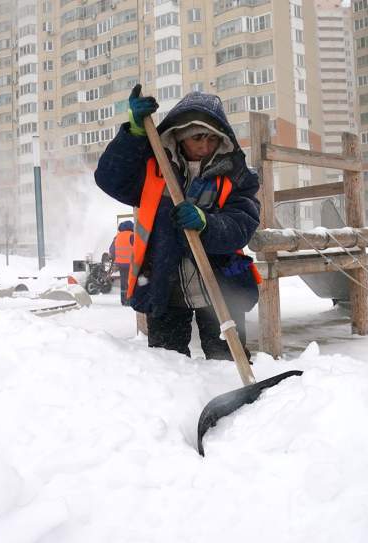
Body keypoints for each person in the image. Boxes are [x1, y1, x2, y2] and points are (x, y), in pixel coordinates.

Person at [94, 85, 261, 360]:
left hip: (219, 285)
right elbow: (110, 179)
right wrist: (134, 134)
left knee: (226, 361)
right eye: (197, 138)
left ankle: (235, 386)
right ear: (179, 135)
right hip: (164, 282)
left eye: (212, 138)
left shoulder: (236, 175)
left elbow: (243, 223)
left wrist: (208, 224)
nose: (205, 146)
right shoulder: (154, 167)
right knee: (168, 364)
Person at [108, 220, 135, 305]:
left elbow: (111, 250)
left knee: (124, 283)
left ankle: (124, 300)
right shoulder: (132, 236)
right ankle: (131, 300)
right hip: (131, 264)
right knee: (132, 282)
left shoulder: (117, 237)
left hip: (120, 264)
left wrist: (114, 258)